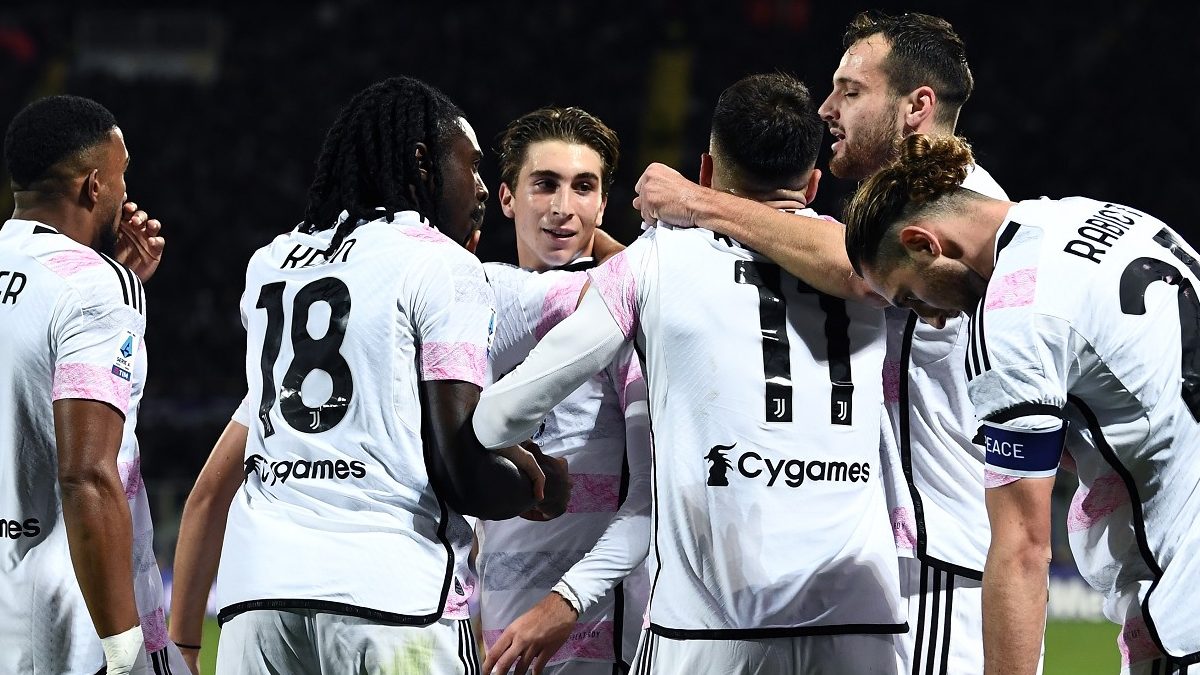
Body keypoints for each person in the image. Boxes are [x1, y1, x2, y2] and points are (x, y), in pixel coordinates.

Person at [474, 73, 903, 675]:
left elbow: (501, 415)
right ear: (812, 183)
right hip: (861, 620)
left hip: (708, 630)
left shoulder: (651, 261)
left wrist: (514, 455)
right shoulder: (872, 262)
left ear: (704, 171)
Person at [632, 11, 1011, 673]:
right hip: (905, 567)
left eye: (851, 91)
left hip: (938, 569)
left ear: (916, 107)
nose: (827, 108)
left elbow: (853, 269)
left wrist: (699, 202)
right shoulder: (915, 206)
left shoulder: (954, 204)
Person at [166, 76, 570, 675]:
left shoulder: (271, 264)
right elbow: (462, 473)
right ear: (423, 163)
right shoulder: (438, 264)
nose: (482, 186)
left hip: (258, 600)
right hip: (391, 597)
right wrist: (539, 486)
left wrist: (184, 640)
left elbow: (214, 485)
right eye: (471, 165)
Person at [842, 132, 1200, 675]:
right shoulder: (1099, 216)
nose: (930, 318)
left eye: (910, 296)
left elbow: (1023, 549)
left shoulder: (1011, 317)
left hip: (1185, 601)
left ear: (923, 243)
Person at [0, 94, 186, 674]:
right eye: (122, 175)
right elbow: (86, 475)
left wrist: (119, 281)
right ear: (93, 185)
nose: (127, 193)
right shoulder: (94, 286)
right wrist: (124, 651)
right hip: (71, 614)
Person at [476, 106, 651, 675]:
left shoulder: (627, 323)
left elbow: (653, 497)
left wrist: (563, 604)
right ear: (507, 198)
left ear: (602, 205)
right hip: (497, 636)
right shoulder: (471, 305)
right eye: (545, 184)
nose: (562, 207)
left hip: (600, 640)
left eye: (583, 187)